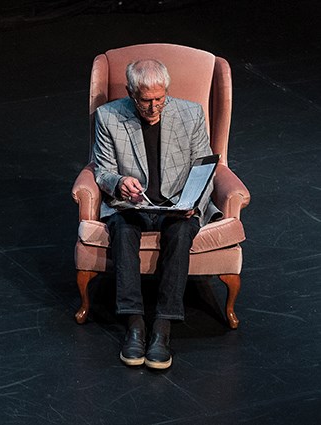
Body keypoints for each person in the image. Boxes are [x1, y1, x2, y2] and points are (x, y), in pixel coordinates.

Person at [92, 59, 220, 370]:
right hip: (133, 205)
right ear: (130, 93)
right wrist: (120, 183)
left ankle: (162, 326)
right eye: (146, 100)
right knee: (122, 231)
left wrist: (191, 201)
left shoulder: (190, 114)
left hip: (177, 203)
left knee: (179, 234)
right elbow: (102, 170)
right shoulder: (109, 117)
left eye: (160, 98)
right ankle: (135, 323)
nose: (154, 107)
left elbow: (204, 167)